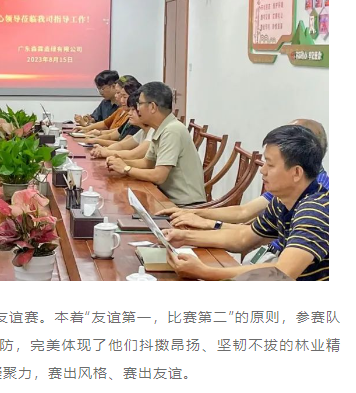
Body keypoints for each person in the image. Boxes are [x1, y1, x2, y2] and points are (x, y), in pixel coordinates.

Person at [165, 125, 329, 281]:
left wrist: (204, 272)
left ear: (296, 173)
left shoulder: (314, 212)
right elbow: (244, 238)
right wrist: (184, 237)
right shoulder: (282, 200)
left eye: (270, 164)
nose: (262, 170)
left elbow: (281, 274)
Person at [106, 81, 206, 206]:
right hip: (164, 197)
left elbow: (159, 176)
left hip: (184, 205)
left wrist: (126, 168)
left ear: (152, 107)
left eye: (140, 104)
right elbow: (147, 163)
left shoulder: (172, 130)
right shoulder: (159, 128)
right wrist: (120, 162)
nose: (137, 108)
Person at [91, 90, 155, 160]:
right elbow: (122, 145)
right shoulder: (142, 131)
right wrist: (104, 149)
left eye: (133, 110)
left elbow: (133, 155)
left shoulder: (153, 132)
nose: (129, 113)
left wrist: (106, 152)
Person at [80, 77, 141, 144]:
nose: (117, 96)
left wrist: (96, 139)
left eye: (124, 96)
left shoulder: (138, 123)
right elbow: (110, 133)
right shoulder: (122, 112)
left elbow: (123, 145)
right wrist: (93, 134)